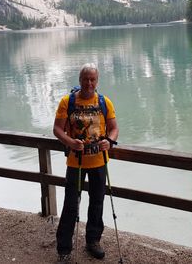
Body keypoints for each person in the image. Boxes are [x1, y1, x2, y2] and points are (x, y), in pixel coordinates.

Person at [53, 63, 119, 263]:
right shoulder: (68, 102)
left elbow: (114, 128)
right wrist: (70, 142)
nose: (89, 83)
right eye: (85, 79)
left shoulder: (104, 102)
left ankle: (93, 240)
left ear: (97, 81)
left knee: (97, 203)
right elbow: (57, 129)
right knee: (71, 204)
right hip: (76, 163)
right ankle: (64, 247)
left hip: (99, 161)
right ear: (79, 80)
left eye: (93, 79)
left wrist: (110, 140)